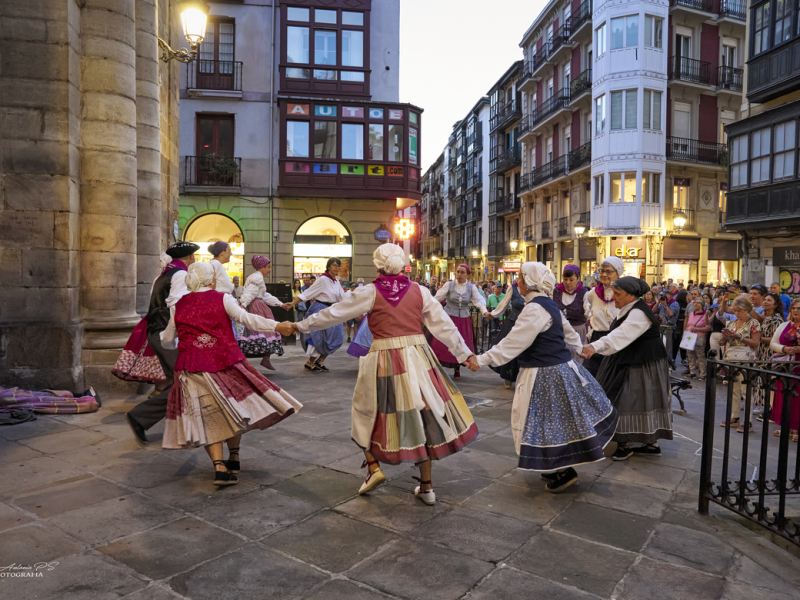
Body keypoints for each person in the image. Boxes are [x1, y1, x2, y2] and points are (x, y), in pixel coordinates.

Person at [291, 244, 479, 505]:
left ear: (378, 266)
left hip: (383, 359)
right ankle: (427, 488)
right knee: (423, 417)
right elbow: (443, 326)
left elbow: (333, 314)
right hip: (418, 360)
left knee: (366, 412)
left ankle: (374, 468)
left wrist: (297, 325)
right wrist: (465, 354)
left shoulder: (369, 292)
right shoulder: (421, 291)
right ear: (402, 265)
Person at [473, 262, 617, 492]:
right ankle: (557, 466)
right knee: (555, 422)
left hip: (544, 373)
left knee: (546, 422)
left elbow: (513, 342)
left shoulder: (535, 309)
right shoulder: (547, 303)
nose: (517, 282)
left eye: (520, 278)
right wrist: (580, 348)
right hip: (559, 369)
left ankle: (564, 470)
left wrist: (480, 359)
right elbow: (568, 330)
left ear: (529, 282)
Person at [160, 262, 301, 487]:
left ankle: (219, 466)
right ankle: (233, 456)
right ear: (213, 280)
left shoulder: (178, 304)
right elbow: (247, 319)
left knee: (208, 415)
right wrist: (277, 326)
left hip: (191, 366)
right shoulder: (223, 298)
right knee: (234, 409)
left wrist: (185, 341)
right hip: (226, 362)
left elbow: (167, 340)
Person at [582, 277, 672, 460]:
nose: (614, 297)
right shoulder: (629, 308)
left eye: (618, 294)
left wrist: (594, 347)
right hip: (630, 358)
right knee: (637, 399)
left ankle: (626, 443)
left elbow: (620, 335)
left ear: (631, 296)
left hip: (641, 362)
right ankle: (649, 443)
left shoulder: (639, 313)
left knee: (629, 399)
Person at [125, 242, 198, 444]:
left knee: (177, 381)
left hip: (155, 332)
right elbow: (177, 307)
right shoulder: (181, 275)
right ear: (190, 258)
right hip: (168, 335)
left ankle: (179, 424)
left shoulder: (162, 275)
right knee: (186, 381)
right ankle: (141, 416)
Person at [430, 264, 492, 379]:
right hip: (448, 317)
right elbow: (437, 299)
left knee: (461, 343)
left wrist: (484, 312)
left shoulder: (471, 287)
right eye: (458, 272)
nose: (459, 274)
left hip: (463, 319)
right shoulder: (449, 285)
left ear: (467, 274)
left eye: (462, 272)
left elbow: (479, 300)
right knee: (443, 343)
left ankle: (457, 368)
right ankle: (437, 367)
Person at [288, 257, 346, 372]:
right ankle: (310, 362)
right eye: (334, 265)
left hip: (332, 311)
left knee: (337, 337)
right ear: (329, 266)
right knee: (318, 338)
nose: (337, 268)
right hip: (321, 310)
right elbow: (307, 293)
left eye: (338, 266)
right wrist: (292, 303)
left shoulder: (335, 282)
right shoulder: (323, 279)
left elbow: (342, 297)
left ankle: (320, 360)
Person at [238, 256, 288, 370]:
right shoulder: (257, 277)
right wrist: (243, 304)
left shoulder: (256, 277)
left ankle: (265, 359)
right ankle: (254, 360)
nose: (270, 270)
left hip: (257, 305)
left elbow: (264, 295)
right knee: (263, 331)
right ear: (262, 267)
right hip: (257, 307)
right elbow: (250, 292)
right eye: (268, 267)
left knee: (264, 333)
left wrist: (280, 304)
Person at [719, 296, 761, 434]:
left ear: (747, 309)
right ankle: (735, 416)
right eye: (735, 310)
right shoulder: (732, 323)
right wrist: (724, 338)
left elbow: (756, 342)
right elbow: (723, 342)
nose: (737, 313)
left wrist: (740, 337)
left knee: (745, 390)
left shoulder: (753, 323)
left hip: (745, 357)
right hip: (732, 356)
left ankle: (747, 421)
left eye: (740, 310)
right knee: (734, 389)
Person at [583, 257, 623, 377]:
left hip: (616, 338)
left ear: (618, 273)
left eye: (609, 271)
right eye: (601, 271)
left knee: (612, 377)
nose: (604, 274)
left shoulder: (624, 292)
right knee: (592, 376)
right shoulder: (593, 293)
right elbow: (589, 307)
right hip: (597, 337)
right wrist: (591, 316)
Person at [770, 298, 800, 442]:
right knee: (785, 396)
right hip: (785, 367)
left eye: (798, 309)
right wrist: (785, 349)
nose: (795, 311)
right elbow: (773, 343)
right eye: (793, 308)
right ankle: (786, 426)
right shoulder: (784, 325)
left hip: (798, 369)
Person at [487, 281, 526, 389]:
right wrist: (493, 314)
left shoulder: (535, 287)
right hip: (513, 321)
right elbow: (504, 304)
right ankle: (507, 376)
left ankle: (523, 377)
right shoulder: (513, 288)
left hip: (528, 322)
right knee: (509, 347)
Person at [754, 292, 785, 421]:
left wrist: (758, 338)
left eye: (769, 300)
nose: (765, 302)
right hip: (761, 353)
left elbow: (775, 338)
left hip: (770, 353)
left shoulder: (777, 320)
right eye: (765, 300)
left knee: (769, 381)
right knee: (761, 379)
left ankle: (770, 410)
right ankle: (764, 407)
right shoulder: (765, 318)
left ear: (776, 305)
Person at [553, 264, 588, 363]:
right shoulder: (556, 291)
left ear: (577, 279)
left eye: (571, 280)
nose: (568, 282)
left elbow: (588, 309)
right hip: (560, 332)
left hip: (578, 332)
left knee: (577, 362)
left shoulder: (584, 293)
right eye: (565, 279)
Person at [685, 297, 710, 380]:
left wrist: (697, 329)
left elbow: (708, 328)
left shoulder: (705, 314)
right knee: (690, 354)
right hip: (689, 336)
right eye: (694, 302)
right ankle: (692, 372)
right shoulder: (691, 314)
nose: (695, 304)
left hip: (699, 336)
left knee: (700, 355)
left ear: (702, 305)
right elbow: (688, 324)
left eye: (698, 302)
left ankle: (703, 373)